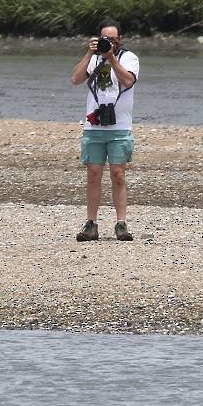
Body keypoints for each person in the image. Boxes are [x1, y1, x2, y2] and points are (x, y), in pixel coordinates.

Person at [69, 20, 140, 242]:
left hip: (119, 126)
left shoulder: (129, 58)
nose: (109, 43)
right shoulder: (94, 57)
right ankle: (91, 223)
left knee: (118, 175)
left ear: (121, 40)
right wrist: (89, 54)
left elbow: (128, 81)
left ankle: (121, 223)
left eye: (113, 39)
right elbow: (75, 79)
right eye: (105, 39)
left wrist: (111, 58)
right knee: (93, 174)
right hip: (95, 126)